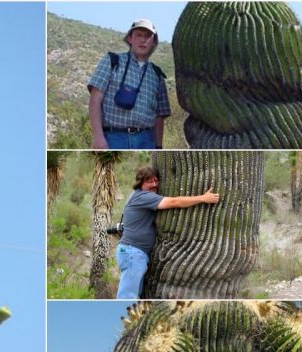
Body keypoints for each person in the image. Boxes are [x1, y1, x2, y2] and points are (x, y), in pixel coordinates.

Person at [116, 167, 220, 299]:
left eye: (156, 180)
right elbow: (174, 202)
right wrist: (203, 198)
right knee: (127, 297)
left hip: (135, 253)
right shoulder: (143, 196)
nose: (154, 185)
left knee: (134, 296)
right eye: (149, 181)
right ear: (140, 183)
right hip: (133, 253)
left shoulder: (140, 196)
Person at [87, 19, 171, 149]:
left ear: (153, 42)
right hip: (113, 138)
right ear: (130, 38)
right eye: (139, 35)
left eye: (148, 36)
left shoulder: (157, 74)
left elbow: (159, 116)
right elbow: (95, 99)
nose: (143, 40)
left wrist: (158, 146)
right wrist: (98, 137)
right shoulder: (112, 61)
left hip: (146, 140)